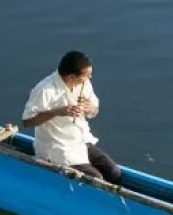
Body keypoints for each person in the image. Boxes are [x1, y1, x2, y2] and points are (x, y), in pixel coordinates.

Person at [21, 50, 123, 185]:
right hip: (58, 147)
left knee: (113, 172)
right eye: (86, 76)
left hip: (81, 141)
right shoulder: (45, 90)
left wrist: (91, 108)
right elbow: (27, 121)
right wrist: (57, 112)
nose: (90, 78)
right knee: (96, 179)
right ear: (71, 77)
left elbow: (94, 110)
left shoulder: (83, 83)